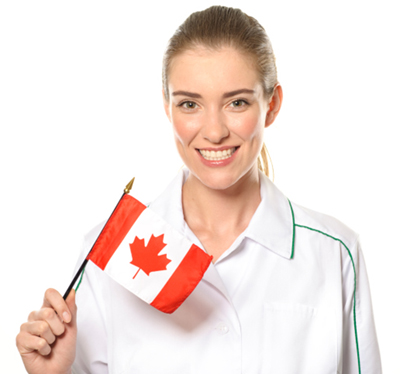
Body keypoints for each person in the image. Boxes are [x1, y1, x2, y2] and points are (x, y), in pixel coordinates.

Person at [16, 5, 382, 373]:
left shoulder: (334, 254)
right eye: (190, 104)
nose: (214, 130)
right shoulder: (110, 254)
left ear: (271, 105)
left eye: (236, 102)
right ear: (167, 107)